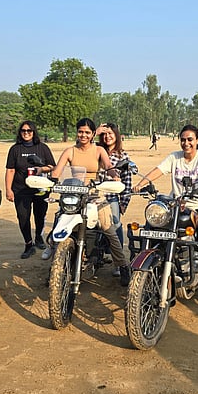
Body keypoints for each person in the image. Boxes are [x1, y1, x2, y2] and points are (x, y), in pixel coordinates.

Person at [132, 124, 198, 314]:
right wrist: (141, 183)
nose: (186, 143)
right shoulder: (175, 157)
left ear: (197, 140)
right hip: (176, 204)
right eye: (183, 139)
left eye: (190, 139)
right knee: (154, 232)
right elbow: (158, 170)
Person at [50, 118, 131, 286]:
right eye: (80, 131)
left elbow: (108, 166)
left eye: (87, 132)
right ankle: (54, 268)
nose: (83, 135)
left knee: (109, 230)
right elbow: (57, 171)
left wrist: (115, 176)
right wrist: (50, 180)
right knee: (59, 223)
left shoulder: (99, 150)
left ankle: (122, 265)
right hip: (74, 193)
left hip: (95, 195)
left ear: (93, 134)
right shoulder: (70, 151)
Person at [5, 121, 56, 259]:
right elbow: (10, 170)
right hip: (21, 189)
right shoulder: (15, 149)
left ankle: (39, 236)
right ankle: (28, 244)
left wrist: (41, 169)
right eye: (23, 130)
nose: (26, 133)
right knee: (23, 217)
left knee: (40, 215)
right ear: (20, 132)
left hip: (40, 188)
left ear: (34, 132)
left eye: (29, 130)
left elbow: (52, 166)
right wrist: (8, 189)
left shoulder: (42, 147)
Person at [97, 122, 132, 276]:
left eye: (110, 133)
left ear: (116, 135)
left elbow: (127, 181)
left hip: (111, 197)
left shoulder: (122, 156)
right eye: (104, 134)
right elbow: (80, 147)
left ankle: (119, 263)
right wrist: (94, 132)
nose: (107, 137)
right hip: (94, 195)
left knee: (115, 225)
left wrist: (124, 202)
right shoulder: (95, 150)